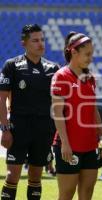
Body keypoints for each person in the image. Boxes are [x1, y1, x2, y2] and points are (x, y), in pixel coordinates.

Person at [0, 24, 59, 200]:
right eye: (35, 40)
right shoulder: (12, 65)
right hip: (18, 129)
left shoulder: (53, 68)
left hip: (43, 130)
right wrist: (5, 129)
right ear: (24, 43)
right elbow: (1, 99)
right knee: (12, 176)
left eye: (42, 39)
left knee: (35, 178)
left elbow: (58, 105)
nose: (40, 44)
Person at [51, 32, 102, 200]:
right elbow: (57, 114)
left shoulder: (90, 78)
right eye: (87, 54)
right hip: (69, 146)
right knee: (67, 194)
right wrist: (65, 144)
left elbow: (92, 110)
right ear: (73, 52)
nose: (91, 58)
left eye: (92, 53)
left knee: (87, 194)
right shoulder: (61, 76)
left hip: (90, 146)